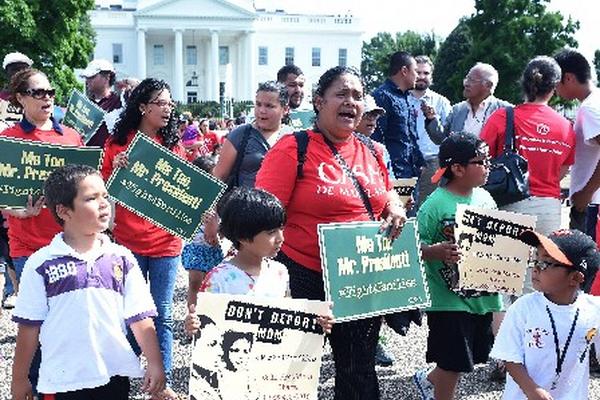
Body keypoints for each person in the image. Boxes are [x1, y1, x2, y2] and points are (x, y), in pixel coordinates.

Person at [256, 66, 406, 400]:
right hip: (302, 275)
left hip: (359, 278)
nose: (351, 102)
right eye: (342, 94)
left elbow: (386, 192)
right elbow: (262, 214)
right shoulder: (292, 148)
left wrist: (395, 207)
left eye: (357, 96)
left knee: (358, 370)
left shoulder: (371, 151)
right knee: (293, 371)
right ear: (319, 101)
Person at [10, 164, 166, 400]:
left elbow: (140, 316)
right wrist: (20, 378)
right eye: (91, 198)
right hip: (61, 382)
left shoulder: (122, 258)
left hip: (113, 376)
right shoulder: (41, 263)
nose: (104, 204)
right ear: (64, 211)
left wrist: (155, 363)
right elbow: (29, 327)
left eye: (105, 196)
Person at [101, 78, 184, 400]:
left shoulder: (173, 144)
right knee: (129, 313)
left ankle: (161, 384)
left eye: (170, 103)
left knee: (162, 312)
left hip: (166, 243)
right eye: (161, 103)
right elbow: (101, 192)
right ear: (142, 107)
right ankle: (122, 372)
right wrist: (115, 174)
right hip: (128, 242)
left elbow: (181, 195)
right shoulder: (117, 144)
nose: (168, 109)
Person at [414, 132, 502, 400]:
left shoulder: (486, 199)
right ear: (457, 168)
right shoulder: (434, 205)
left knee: (469, 357)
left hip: (483, 297)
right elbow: (412, 249)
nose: (488, 167)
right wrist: (434, 251)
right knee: (453, 361)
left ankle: (428, 380)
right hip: (447, 300)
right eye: (481, 162)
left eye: (488, 161)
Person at [1, 68, 84, 316]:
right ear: (20, 98)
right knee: (35, 320)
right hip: (27, 245)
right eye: (38, 92)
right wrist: (19, 212)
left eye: (50, 92)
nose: (47, 97)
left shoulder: (72, 137)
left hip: (69, 244)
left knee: (67, 319)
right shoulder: (7, 140)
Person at [490, 229, 600, 400]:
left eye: (545, 263)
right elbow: (509, 356)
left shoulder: (593, 310)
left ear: (575, 278)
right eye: (535, 260)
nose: (535, 269)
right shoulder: (523, 308)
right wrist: (531, 389)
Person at [481, 56, 575, 235]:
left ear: (523, 82)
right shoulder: (566, 126)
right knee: (545, 263)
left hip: (508, 204)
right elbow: (561, 171)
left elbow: (480, 160)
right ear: (554, 87)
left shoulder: (502, 117)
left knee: (508, 263)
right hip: (550, 209)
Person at [553, 49, 600, 242]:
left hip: (592, 204)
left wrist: (586, 192)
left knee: (587, 269)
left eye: (556, 82)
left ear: (569, 78)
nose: (554, 89)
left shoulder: (589, 109)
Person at [424, 62, 511, 142]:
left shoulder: (506, 111)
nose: (466, 84)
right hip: (458, 159)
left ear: (488, 85)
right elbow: (441, 140)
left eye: (472, 80)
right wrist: (432, 119)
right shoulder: (457, 110)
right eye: (466, 79)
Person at [408, 55, 452, 206]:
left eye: (426, 73)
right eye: (418, 72)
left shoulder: (442, 102)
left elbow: (447, 136)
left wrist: (434, 118)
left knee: (429, 206)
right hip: (406, 163)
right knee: (406, 206)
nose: (421, 77)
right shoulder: (402, 99)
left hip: (433, 163)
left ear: (431, 76)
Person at [372, 51, 422, 180]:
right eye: (415, 71)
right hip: (392, 175)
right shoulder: (382, 97)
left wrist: (420, 160)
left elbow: (409, 136)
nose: (418, 76)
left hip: (410, 172)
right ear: (404, 70)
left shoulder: (407, 98)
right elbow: (375, 137)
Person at [183, 155, 223, 308]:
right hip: (195, 246)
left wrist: (218, 233)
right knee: (194, 284)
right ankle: (192, 315)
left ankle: (207, 314)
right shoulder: (187, 197)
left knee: (210, 286)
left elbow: (223, 223)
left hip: (213, 247)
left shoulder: (219, 198)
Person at [80, 59, 122, 147]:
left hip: (110, 158)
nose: (87, 81)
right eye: (86, 77)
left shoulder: (120, 103)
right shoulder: (84, 104)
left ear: (107, 77)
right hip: (86, 157)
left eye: (92, 77)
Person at [0, 52, 33, 128]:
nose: (19, 73)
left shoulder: (35, 98)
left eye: (24, 70)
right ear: (6, 73)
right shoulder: (1, 98)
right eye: (15, 69)